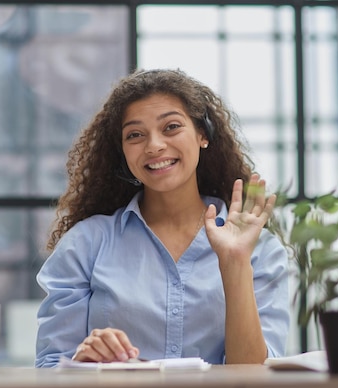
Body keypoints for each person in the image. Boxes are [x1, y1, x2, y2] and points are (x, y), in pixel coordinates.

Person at [35, 68, 289, 367]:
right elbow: (50, 368)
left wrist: (235, 262)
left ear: (202, 135)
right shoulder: (85, 245)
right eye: (135, 135)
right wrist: (83, 361)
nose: (154, 145)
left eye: (171, 127)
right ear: (123, 153)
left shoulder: (259, 249)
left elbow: (255, 376)